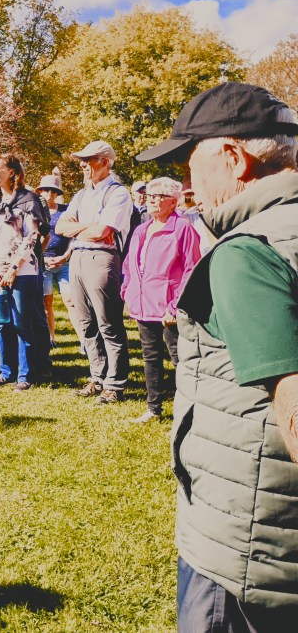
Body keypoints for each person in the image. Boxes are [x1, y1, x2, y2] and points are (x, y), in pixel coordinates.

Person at [135, 82, 298, 630]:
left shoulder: (249, 252)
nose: (187, 187)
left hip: (246, 553)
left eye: (190, 164)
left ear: (233, 157)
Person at [55, 140, 134, 404]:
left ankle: (115, 383)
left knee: (108, 323)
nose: (82, 165)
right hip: (78, 257)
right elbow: (60, 228)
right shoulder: (81, 195)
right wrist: (88, 228)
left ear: (105, 162)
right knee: (86, 323)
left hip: (102, 258)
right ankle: (97, 377)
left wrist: (81, 228)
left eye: (88, 160)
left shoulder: (118, 193)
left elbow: (103, 232)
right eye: (82, 161)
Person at [120, 177, 201, 423]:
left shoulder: (182, 228)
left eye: (159, 196)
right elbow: (129, 265)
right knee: (150, 357)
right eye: (150, 196)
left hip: (169, 309)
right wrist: (127, 290)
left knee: (180, 360)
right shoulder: (141, 229)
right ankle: (153, 408)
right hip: (143, 305)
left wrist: (175, 307)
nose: (153, 200)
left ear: (173, 201)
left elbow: (191, 269)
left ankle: (192, 411)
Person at [0, 154, 43, 391]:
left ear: (12, 172)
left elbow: (31, 237)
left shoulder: (28, 200)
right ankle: (5, 371)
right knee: (1, 324)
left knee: (21, 324)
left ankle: (25, 374)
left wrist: (14, 268)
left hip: (22, 271)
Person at [35, 175, 75, 347]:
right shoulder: (35, 211)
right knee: (47, 302)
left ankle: (85, 340)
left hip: (64, 262)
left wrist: (65, 256)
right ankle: (50, 338)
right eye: (45, 189)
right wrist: (42, 258)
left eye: (53, 190)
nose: (49, 193)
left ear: (57, 193)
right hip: (43, 263)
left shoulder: (66, 211)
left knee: (71, 300)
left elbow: (74, 236)